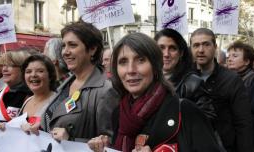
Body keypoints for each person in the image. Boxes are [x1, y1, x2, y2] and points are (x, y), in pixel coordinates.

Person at [88, 33, 220, 152]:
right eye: (123, 62)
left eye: (140, 60)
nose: (130, 70)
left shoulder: (184, 111)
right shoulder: (119, 113)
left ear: (156, 66)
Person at [41, 20, 119, 142]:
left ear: (92, 49)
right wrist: (38, 131)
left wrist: (71, 140)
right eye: (63, 46)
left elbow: (110, 143)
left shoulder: (106, 90)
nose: (65, 52)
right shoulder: (64, 84)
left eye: (72, 45)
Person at [190, 28, 254, 152]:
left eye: (206, 44)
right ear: (191, 48)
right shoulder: (184, 77)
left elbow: (243, 123)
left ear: (215, 47)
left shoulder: (232, 79)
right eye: (196, 45)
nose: (201, 50)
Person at [154, 28, 216, 119]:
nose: (166, 54)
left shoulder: (193, 83)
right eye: (161, 48)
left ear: (181, 53)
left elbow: (207, 119)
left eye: (172, 48)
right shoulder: (145, 79)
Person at [227, 41, 254, 152]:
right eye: (228, 56)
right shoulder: (229, 80)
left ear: (247, 61)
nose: (229, 59)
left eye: (235, 56)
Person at [0, 50, 32, 122]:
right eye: (3, 65)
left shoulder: (29, 95)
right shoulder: (4, 91)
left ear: (23, 69)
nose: (4, 69)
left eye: (10, 65)